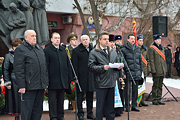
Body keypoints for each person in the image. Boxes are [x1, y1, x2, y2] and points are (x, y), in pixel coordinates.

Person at [14, 30, 48, 120]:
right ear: (26, 37)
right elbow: (18, 69)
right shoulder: (20, 49)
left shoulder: (39, 49)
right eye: (32, 36)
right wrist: (21, 86)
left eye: (35, 36)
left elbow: (44, 67)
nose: (34, 38)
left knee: (37, 111)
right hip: (28, 86)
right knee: (27, 111)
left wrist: (45, 82)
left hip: (40, 85)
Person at [88, 31, 124, 120]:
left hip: (111, 82)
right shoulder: (94, 52)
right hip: (101, 83)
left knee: (110, 107)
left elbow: (115, 64)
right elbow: (91, 67)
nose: (107, 41)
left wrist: (118, 67)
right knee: (100, 107)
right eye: (104, 39)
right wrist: (102, 67)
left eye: (108, 39)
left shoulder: (113, 52)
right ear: (99, 40)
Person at [44, 32, 73, 120]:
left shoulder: (63, 50)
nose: (57, 39)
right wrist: (46, 80)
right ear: (51, 39)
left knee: (61, 100)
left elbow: (68, 64)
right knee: (52, 100)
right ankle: (53, 116)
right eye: (55, 38)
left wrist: (69, 78)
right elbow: (46, 66)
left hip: (62, 79)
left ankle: (60, 115)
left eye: (59, 38)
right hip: (52, 80)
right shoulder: (47, 51)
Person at [72, 35, 95, 120]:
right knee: (80, 96)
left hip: (91, 76)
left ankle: (90, 113)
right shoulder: (76, 51)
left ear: (89, 40)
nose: (85, 41)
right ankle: (80, 113)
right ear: (81, 41)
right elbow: (74, 65)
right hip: (80, 77)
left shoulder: (93, 50)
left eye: (87, 39)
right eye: (83, 40)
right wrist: (75, 77)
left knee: (90, 96)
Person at [121, 34, 142, 112]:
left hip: (136, 72)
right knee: (127, 91)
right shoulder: (124, 49)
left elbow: (140, 61)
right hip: (128, 72)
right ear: (128, 40)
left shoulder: (137, 48)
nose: (133, 40)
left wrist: (140, 71)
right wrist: (125, 72)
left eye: (134, 39)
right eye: (131, 39)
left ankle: (134, 105)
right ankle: (127, 106)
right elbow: (123, 61)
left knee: (135, 90)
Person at [3, 38, 22, 120]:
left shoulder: (23, 55)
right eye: (17, 47)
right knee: (15, 100)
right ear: (13, 47)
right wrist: (7, 82)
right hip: (13, 80)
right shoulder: (8, 56)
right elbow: (5, 69)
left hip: (22, 79)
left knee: (22, 100)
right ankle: (17, 116)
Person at [148, 34, 167, 105]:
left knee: (160, 85)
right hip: (156, 69)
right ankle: (154, 99)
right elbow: (151, 60)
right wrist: (153, 70)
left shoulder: (161, 48)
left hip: (162, 69)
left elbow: (163, 60)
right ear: (155, 40)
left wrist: (164, 69)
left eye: (160, 39)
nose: (160, 41)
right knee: (155, 85)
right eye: (158, 40)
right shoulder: (152, 48)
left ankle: (159, 98)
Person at [136, 34, 149, 107]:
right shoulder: (135, 49)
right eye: (140, 40)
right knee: (138, 87)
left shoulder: (145, 49)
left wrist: (148, 69)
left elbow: (148, 59)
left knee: (143, 86)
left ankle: (142, 100)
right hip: (137, 70)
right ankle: (137, 101)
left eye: (142, 40)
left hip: (144, 70)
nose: (141, 42)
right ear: (137, 41)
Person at [114, 35, 125, 116]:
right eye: (116, 42)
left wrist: (121, 75)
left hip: (118, 75)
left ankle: (119, 110)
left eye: (119, 41)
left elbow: (121, 63)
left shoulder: (120, 52)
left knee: (120, 92)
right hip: (112, 75)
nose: (118, 43)